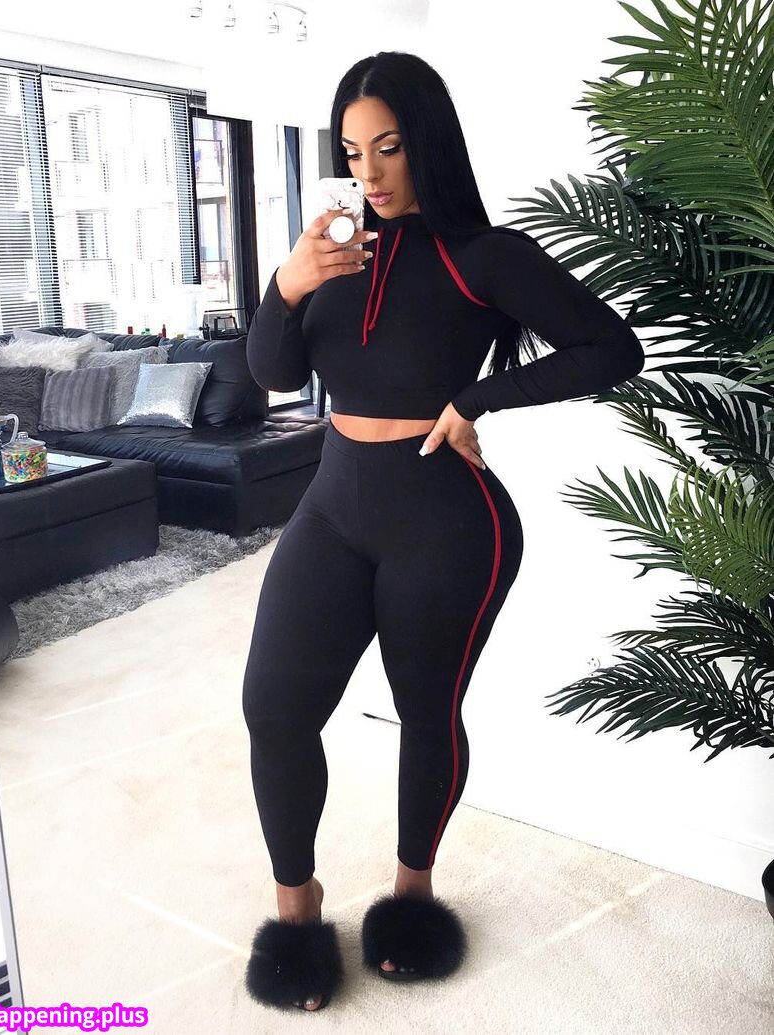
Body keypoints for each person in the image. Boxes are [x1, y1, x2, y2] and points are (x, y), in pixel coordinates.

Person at [242, 51, 645, 1013]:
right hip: (332, 507)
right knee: (274, 707)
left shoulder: (483, 254)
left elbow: (611, 347)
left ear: (426, 142)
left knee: (426, 711)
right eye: (352, 153)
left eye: (388, 147)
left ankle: (412, 895)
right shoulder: (332, 254)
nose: (370, 173)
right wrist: (288, 283)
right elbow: (272, 372)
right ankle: (298, 908)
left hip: (446, 522)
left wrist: (477, 398)